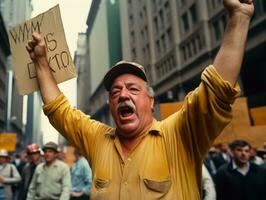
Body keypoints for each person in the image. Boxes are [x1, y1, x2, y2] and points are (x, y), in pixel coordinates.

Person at [25, 0, 254, 199]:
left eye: (133, 89)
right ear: (111, 106)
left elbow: (216, 91)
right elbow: (59, 111)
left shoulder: (180, 136)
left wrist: (240, 16)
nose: (123, 95)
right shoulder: (97, 140)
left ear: (151, 101)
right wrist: (41, 63)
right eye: (115, 92)